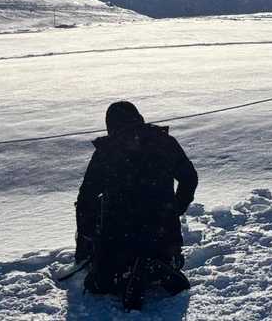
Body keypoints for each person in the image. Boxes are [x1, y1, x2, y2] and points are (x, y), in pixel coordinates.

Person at [75, 101, 198, 310]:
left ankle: (127, 273)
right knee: (166, 253)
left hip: (119, 234)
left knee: (97, 285)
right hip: (163, 230)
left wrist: (88, 236)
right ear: (139, 117)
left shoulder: (107, 150)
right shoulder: (165, 141)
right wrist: (175, 209)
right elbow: (189, 178)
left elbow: (87, 196)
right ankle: (159, 265)